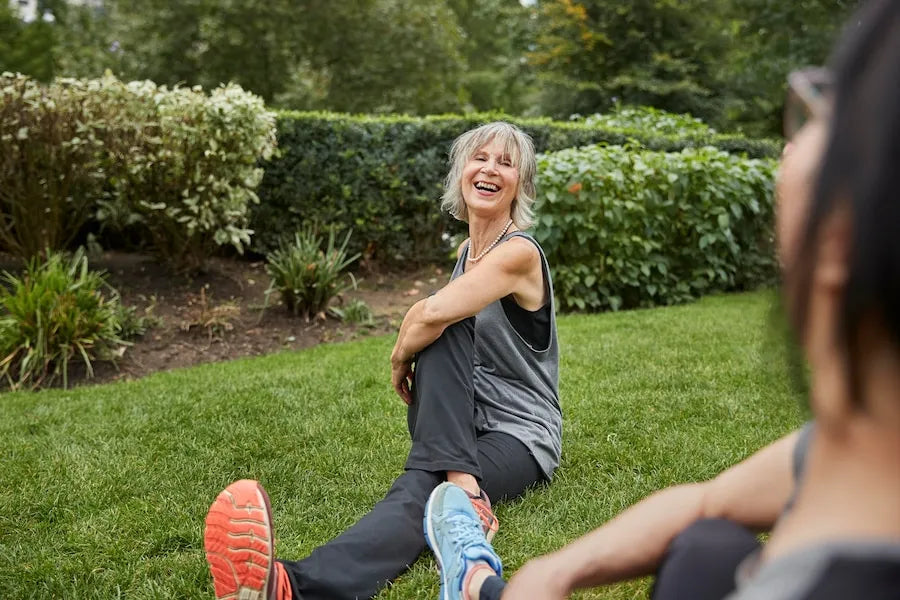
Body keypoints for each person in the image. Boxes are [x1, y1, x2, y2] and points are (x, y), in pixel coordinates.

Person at [423, 1, 900, 599]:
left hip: (520, 439)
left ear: (843, 236)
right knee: (709, 547)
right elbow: (708, 501)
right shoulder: (862, 436)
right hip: (483, 439)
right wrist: (555, 571)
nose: (786, 149)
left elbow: (436, 314)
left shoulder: (838, 579)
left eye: (821, 111)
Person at [202, 121, 562, 600]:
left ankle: (292, 586)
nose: (490, 169)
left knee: (425, 489)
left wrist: (399, 358)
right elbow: (429, 316)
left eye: (506, 162)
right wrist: (417, 329)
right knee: (440, 326)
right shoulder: (466, 253)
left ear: (521, 185)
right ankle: (462, 482)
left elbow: (430, 312)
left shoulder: (518, 254)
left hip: (519, 432)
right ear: (461, 172)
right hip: (462, 419)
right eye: (480, 158)